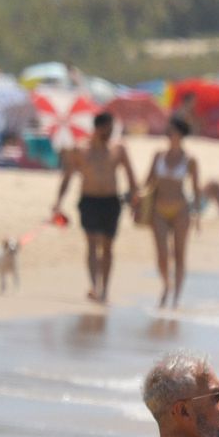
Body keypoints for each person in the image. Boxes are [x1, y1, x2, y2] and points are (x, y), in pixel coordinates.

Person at [53, 111, 136, 303]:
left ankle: (105, 288)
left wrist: (135, 201)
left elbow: (131, 177)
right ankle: (94, 285)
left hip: (111, 201)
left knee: (107, 246)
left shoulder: (118, 149)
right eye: (107, 129)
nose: (110, 133)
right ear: (97, 128)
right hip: (89, 200)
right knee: (92, 243)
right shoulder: (81, 150)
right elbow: (67, 177)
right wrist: (58, 202)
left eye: (112, 129)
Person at [140, 117, 201, 308]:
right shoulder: (158, 155)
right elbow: (148, 181)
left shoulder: (190, 160)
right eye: (169, 131)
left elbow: (196, 189)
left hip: (181, 210)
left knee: (180, 253)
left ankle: (176, 297)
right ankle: (167, 285)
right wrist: (138, 200)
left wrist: (197, 215)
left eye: (173, 131)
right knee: (162, 254)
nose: (170, 135)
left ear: (181, 135)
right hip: (158, 209)